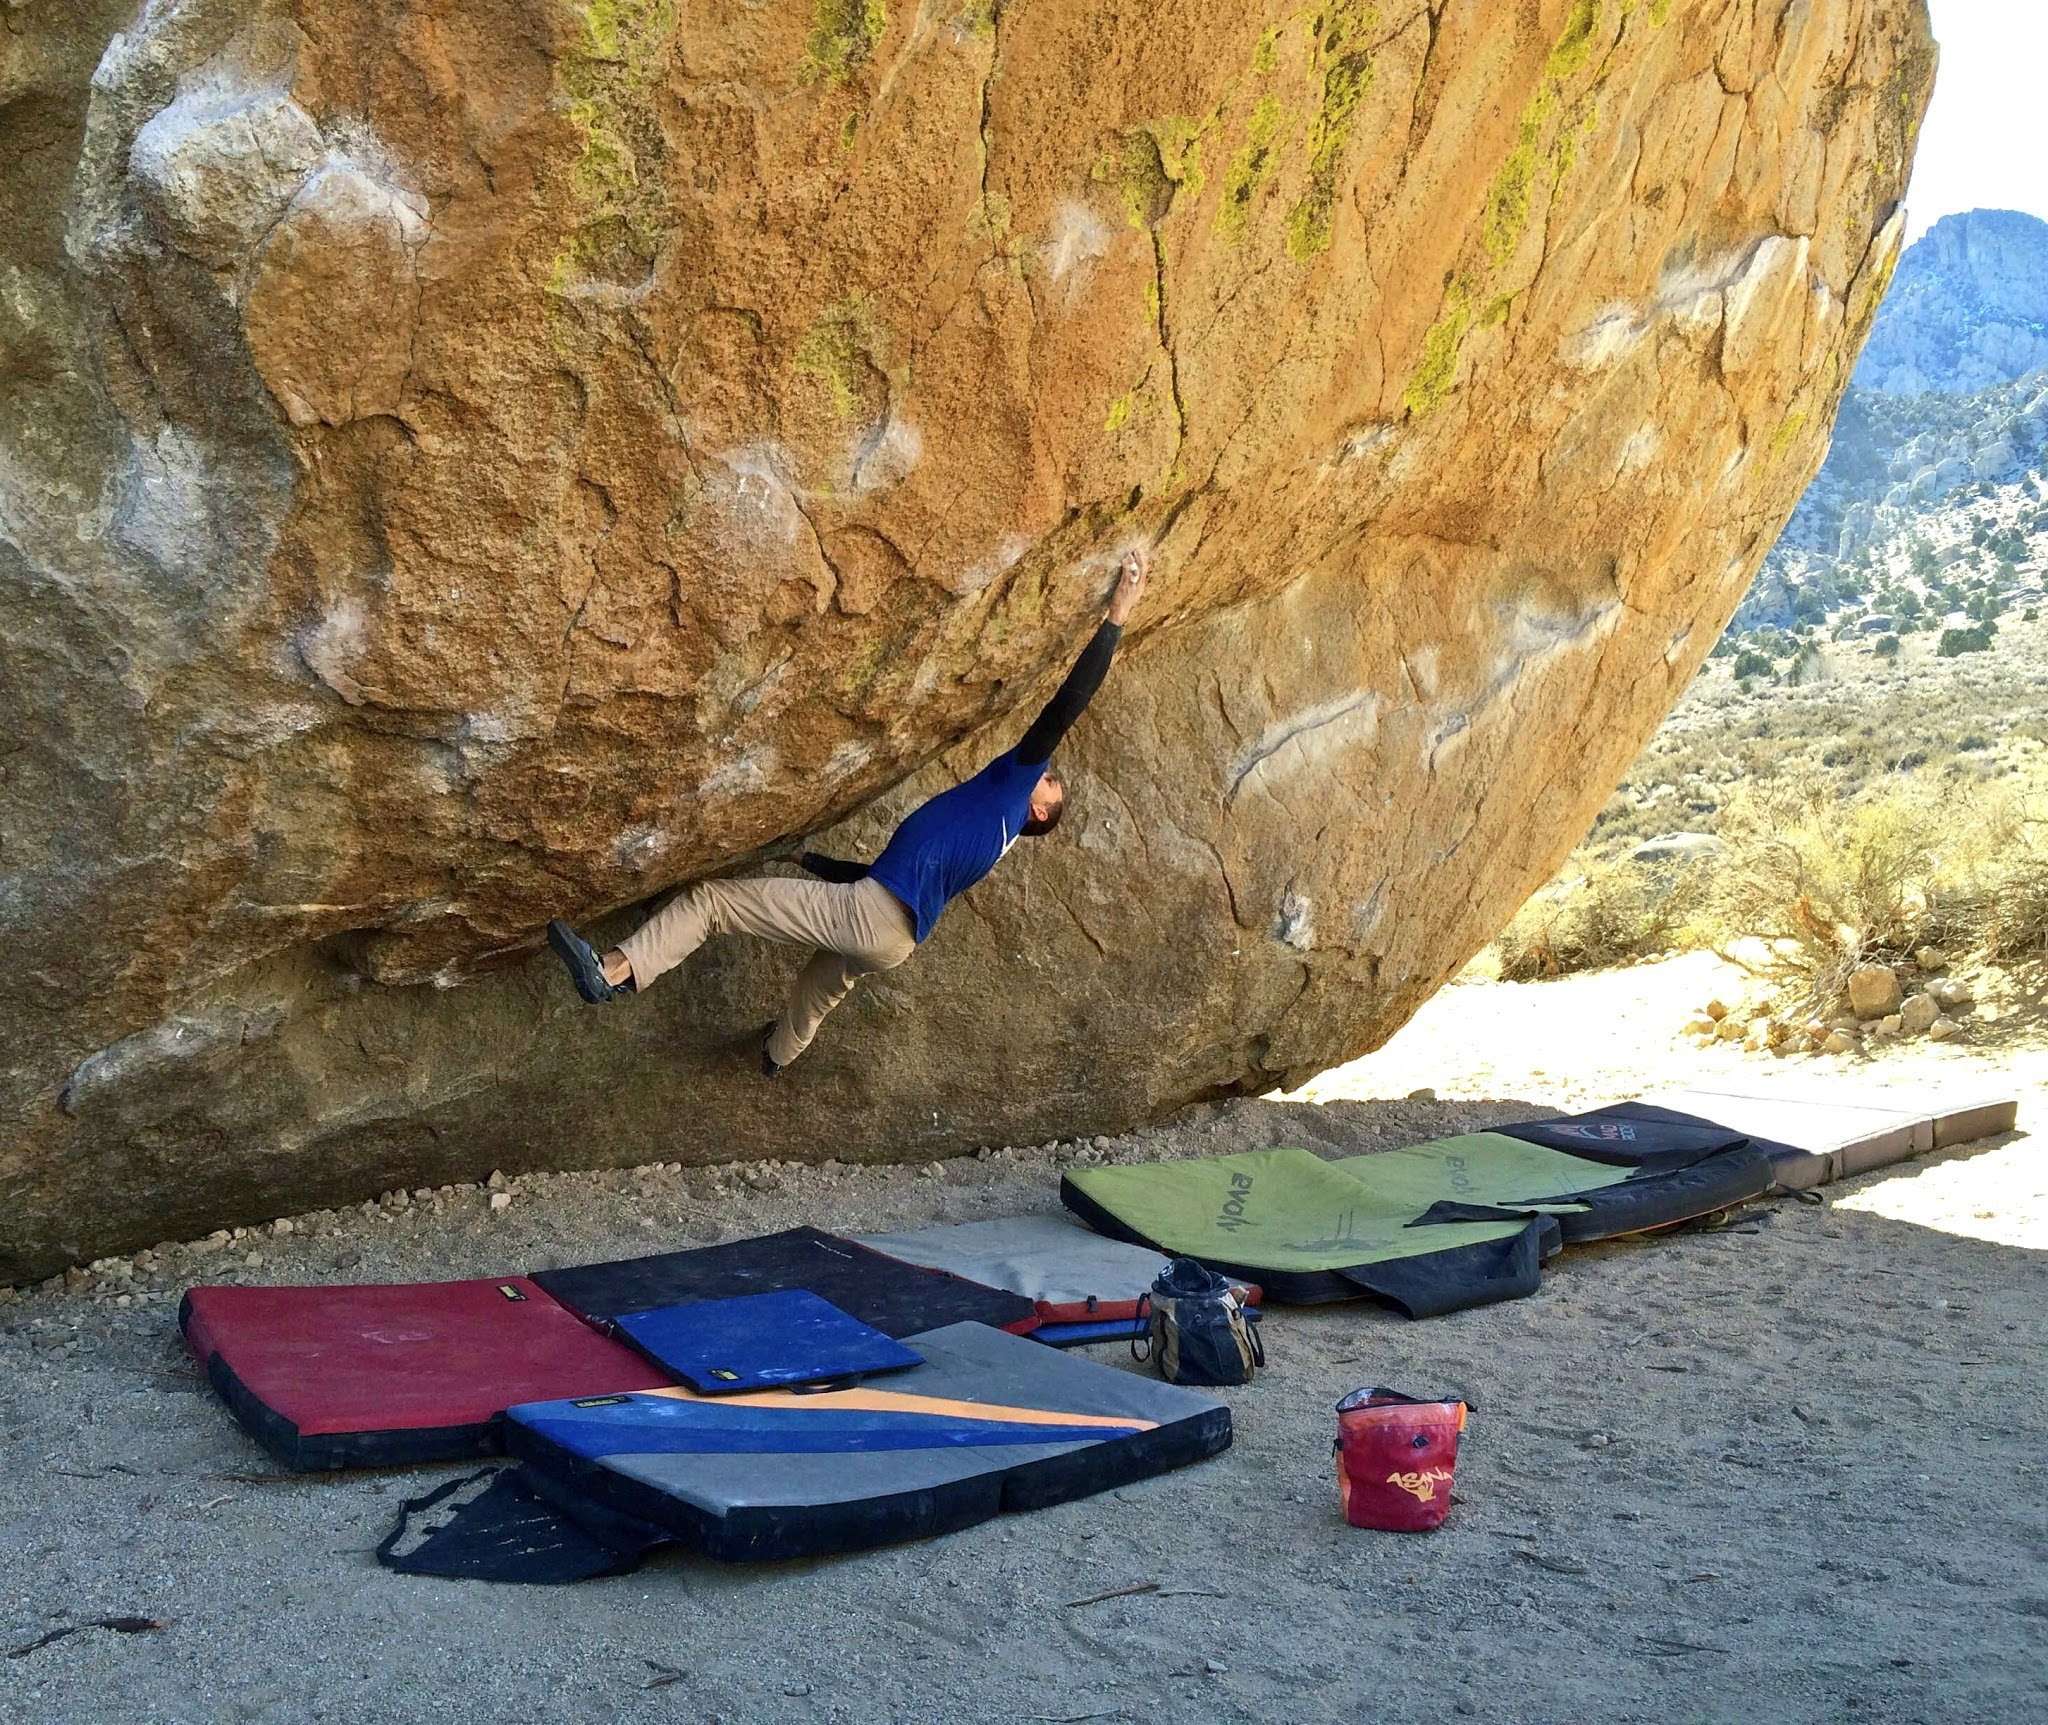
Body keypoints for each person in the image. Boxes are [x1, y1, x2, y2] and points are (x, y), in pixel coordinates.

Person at [547, 545, 1151, 1075]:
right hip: (889, 937)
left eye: (1052, 785)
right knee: (820, 986)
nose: (1046, 774)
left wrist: (1117, 614)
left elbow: (1065, 708)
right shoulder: (989, 837)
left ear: (1040, 812)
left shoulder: (1011, 796)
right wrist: (811, 859)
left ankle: (614, 972)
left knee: (714, 903)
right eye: (1048, 775)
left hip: (872, 918)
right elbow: (875, 882)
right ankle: (778, 1057)